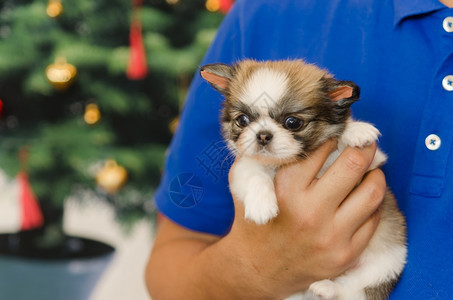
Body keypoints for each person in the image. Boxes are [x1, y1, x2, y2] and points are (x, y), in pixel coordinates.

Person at [146, 0, 453, 298]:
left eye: (292, 123)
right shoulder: (265, 10)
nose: (263, 135)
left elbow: (368, 159)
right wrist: (255, 269)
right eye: (243, 120)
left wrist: (346, 135)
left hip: (370, 272)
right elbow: (174, 254)